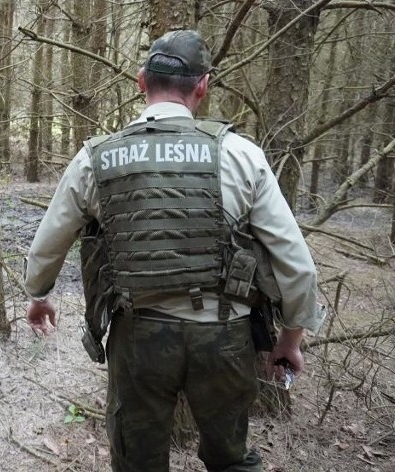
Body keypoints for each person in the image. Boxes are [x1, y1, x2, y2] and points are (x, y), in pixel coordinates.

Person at [24, 29, 325, 471]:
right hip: (226, 337)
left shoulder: (97, 158)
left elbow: (50, 242)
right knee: (231, 461)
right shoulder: (242, 155)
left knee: (137, 462)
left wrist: (39, 296)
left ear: (142, 80)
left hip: (140, 337)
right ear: (202, 86)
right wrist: (291, 339)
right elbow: (296, 263)